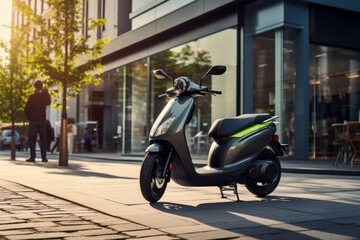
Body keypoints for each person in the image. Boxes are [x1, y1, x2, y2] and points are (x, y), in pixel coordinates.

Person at [24, 80, 51, 162]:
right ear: (41, 87)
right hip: (42, 120)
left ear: (34, 87)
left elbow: (26, 110)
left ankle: (32, 157)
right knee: (43, 139)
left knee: (32, 139)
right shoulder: (44, 97)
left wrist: (30, 118)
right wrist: (46, 91)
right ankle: (44, 157)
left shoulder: (31, 97)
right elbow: (49, 102)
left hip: (33, 120)